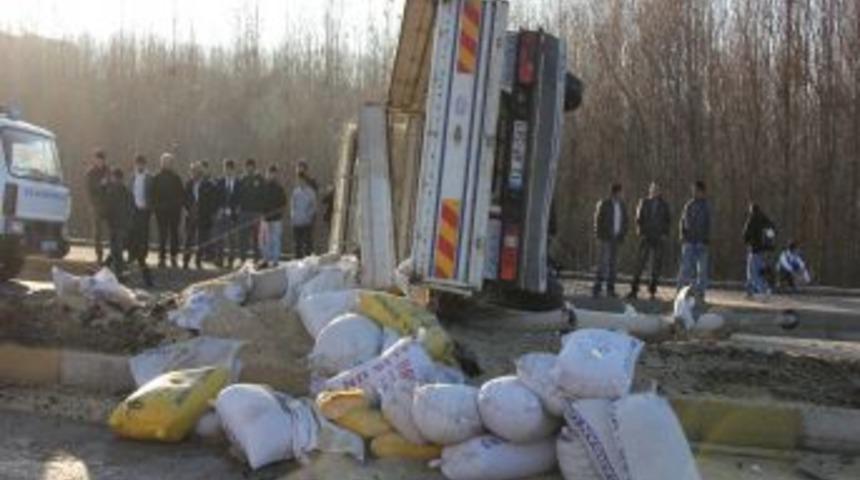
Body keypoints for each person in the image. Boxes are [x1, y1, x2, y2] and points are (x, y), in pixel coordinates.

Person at [628, 181, 671, 300]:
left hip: (658, 238)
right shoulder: (644, 202)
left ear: (659, 191)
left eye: (657, 189)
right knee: (640, 264)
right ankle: (634, 290)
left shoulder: (664, 205)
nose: (654, 191)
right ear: (649, 190)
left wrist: (664, 234)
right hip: (646, 236)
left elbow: (668, 221)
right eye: (653, 189)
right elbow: (638, 219)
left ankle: (652, 291)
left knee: (655, 266)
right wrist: (640, 233)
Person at [592, 183, 628, 298]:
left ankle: (610, 288)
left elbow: (625, 221)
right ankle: (597, 287)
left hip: (617, 238)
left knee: (613, 264)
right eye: (620, 192)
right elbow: (597, 220)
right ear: (615, 192)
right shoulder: (604, 203)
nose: (622, 194)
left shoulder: (622, 206)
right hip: (605, 238)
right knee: (603, 263)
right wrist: (599, 235)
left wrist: (623, 234)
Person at [678, 180, 712, 301]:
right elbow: (682, 221)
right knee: (685, 269)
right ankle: (681, 293)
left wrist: (706, 239)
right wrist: (683, 236)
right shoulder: (689, 205)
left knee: (702, 270)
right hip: (689, 241)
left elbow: (709, 224)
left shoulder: (707, 206)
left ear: (702, 192)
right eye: (693, 190)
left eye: (696, 190)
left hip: (701, 242)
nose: (694, 192)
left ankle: (700, 293)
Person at [151, 153, 186, 268]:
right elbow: (153, 195)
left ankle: (173, 257)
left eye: (169, 162)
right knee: (162, 235)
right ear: (161, 163)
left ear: (171, 164)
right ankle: (161, 257)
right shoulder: (157, 178)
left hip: (174, 212)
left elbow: (181, 195)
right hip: (161, 212)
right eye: (165, 162)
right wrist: (157, 208)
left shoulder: (176, 178)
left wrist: (178, 207)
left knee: (174, 234)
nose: (167, 164)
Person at [183, 161, 218, 269]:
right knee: (189, 239)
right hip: (191, 214)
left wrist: (210, 213)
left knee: (201, 239)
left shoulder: (209, 184)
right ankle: (186, 260)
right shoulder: (188, 184)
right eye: (193, 171)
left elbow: (213, 201)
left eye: (197, 172)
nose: (194, 174)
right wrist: (186, 209)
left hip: (203, 215)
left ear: (200, 172)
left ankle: (198, 260)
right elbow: (184, 198)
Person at [128, 154, 154, 287]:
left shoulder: (149, 178)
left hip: (145, 210)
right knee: (133, 234)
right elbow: (129, 193)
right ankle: (134, 255)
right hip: (134, 210)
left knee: (144, 234)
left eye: (142, 164)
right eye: (138, 164)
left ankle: (142, 255)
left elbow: (153, 194)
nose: (140, 166)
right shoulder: (132, 177)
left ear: (145, 165)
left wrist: (149, 206)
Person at [103, 168, 134, 276]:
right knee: (115, 249)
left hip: (117, 225)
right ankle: (113, 269)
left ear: (115, 178)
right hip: (119, 225)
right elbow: (131, 209)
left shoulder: (114, 191)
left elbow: (107, 208)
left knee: (117, 249)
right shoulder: (125, 192)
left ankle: (118, 271)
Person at [742, 203, 776, 297]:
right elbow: (773, 231)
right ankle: (750, 291)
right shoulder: (765, 219)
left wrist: (749, 242)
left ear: (751, 210)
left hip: (755, 249)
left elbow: (745, 234)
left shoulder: (752, 219)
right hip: (765, 250)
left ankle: (764, 290)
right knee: (759, 270)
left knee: (752, 272)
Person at [236, 158, 265, 263]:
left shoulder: (260, 180)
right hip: (244, 212)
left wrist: (262, 211)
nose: (249, 168)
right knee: (243, 237)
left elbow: (264, 196)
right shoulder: (241, 179)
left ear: (254, 167)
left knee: (256, 237)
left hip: (256, 213)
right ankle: (242, 258)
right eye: (247, 166)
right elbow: (237, 195)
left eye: (251, 166)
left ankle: (257, 258)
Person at [214, 159, 241, 269]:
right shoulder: (220, 181)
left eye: (229, 169)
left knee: (231, 239)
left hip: (233, 214)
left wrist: (236, 209)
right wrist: (218, 209)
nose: (227, 171)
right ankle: (219, 259)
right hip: (221, 213)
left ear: (233, 169)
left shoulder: (238, 183)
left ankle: (230, 260)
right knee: (219, 237)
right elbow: (216, 197)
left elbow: (240, 197)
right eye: (225, 169)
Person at [259, 165, 287, 268]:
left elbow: (284, 203)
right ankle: (266, 259)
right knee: (265, 240)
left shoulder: (279, 188)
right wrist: (263, 213)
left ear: (276, 175)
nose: (271, 175)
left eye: (273, 173)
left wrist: (277, 211)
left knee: (276, 239)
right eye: (269, 173)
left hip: (276, 219)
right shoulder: (264, 187)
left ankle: (275, 260)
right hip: (265, 219)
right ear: (267, 174)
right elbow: (260, 202)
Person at [85, 149, 110, 264]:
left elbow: (113, 186)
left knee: (113, 230)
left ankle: (112, 255)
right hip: (96, 205)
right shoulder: (90, 173)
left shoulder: (108, 171)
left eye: (102, 160)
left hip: (109, 205)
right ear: (95, 160)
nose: (100, 162)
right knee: (97, 233)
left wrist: (107, 184)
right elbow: (89, 189)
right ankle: (99, 255)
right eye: (98, 160)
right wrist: (100, 185)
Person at [291, 174, 317, 259]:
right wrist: (293, 215)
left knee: (307, 243)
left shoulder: (310, 192)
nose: (300, 182)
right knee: (297, 243)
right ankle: (297, 259)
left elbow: (313, 205)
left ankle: (308, 259)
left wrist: (309, 215)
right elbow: (293, 205)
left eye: (301, 181)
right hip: (297, 221)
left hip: (306, 221)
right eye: (298, 181)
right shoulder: (296, 192)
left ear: (305, 181)